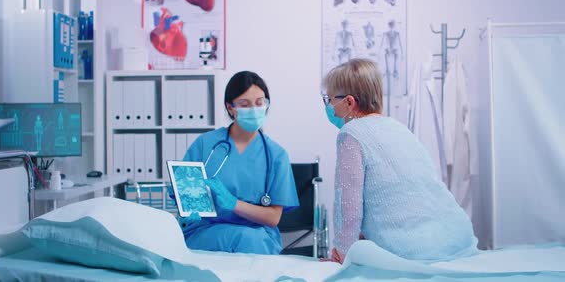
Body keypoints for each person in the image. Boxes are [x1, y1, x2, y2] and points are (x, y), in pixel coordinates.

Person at [322, 59, 478, 263]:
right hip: (458, 238)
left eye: (330, 99)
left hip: (414, 250)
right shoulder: (398, 128)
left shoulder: (351, 134)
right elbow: (405, 193)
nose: (328, 106)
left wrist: (343, 252)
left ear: (349, 103)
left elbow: (348, 206)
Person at [180, 71, 299, 254]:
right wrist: (192, 202)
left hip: (257, 235)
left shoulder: (276, 155)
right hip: (205, 232)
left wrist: (234, 204)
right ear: (230, 108)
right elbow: (188, 197)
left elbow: (273, 217)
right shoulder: (205, 144)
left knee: (250, 240)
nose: (254, 109)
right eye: (245, 104)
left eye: (260, 102)